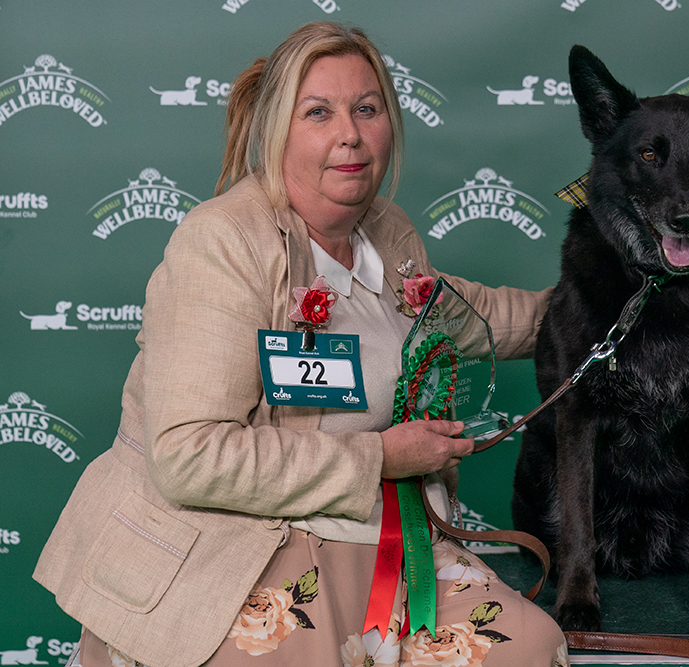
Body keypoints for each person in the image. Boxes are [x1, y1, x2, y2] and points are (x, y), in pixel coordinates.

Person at [33, 22, 567, 667]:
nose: (350, 133)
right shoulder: (222, 243)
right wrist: (379, 458)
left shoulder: (387, 233)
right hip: (238, 549)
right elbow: (187, 456)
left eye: (366, 109)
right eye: (319, 113)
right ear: (277, 130)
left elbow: (465, 312)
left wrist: (588, 313)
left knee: (530, 648)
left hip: (382, 538)